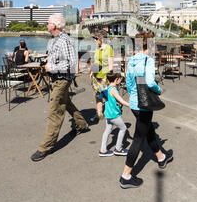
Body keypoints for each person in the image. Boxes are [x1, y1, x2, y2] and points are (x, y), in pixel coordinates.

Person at [31, 14, 89, 162]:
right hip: (57, 78)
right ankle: (81, 124)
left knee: (54, 111)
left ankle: (46, 147)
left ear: (54, 26)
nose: (46, 24)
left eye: (48, 22)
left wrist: (52, 67)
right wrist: (47, 60)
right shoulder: (54, 40)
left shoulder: (64, 40)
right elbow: (59, 58)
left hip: (62, 79)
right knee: (66, 103)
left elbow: (70, 64)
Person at [119, 32, 173, 189]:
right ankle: (126, 175)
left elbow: (129, 82)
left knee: (148, 131)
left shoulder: (132, 60)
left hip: (135, 103)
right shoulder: (148, 60)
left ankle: (161, 157)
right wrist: (159, 90)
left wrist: (135, 95)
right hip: (145, 105)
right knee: (138, 139)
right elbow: (149, 82)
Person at [99, 71, 129, 157]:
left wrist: (116, 103)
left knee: (107, 131)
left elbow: (110, 101)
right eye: (120, 79)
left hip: (108, 114)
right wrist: (132, 105)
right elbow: (122, 101)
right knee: (123, 128)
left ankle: (103, 150)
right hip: (114, 115)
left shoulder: (107, 88)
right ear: (116, 79)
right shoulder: (114, 90)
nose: (121, 80)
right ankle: (118, 148)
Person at [89, 30, 114, 124]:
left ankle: (110, 115)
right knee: (98, 96)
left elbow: (110, 66)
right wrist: (92, 71)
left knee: (107, 97)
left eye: (96, 38)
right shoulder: (97, 48)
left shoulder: (108, 48)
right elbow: (95, 61)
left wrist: (107, 77)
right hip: (96, 77)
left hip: (104, 77)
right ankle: (99, 114)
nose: (95, 40)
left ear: (100, 38)